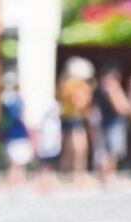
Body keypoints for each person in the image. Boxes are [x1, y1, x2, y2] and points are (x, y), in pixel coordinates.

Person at [91, 62, 131, 185]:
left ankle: (106, 176)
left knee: (107, 152)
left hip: (105, 124)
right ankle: (106, 176)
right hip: (113, 124)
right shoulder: (111, 89)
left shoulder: (100, 89)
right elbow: (120, 108)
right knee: (112, 152)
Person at [58, 57, 93, 187]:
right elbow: (78, 102)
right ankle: (79, 176)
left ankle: (65, 175)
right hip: (76, 118)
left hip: (67, 118)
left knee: (67, 150)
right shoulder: (77, 85)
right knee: (79, 149)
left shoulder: (64, 83)